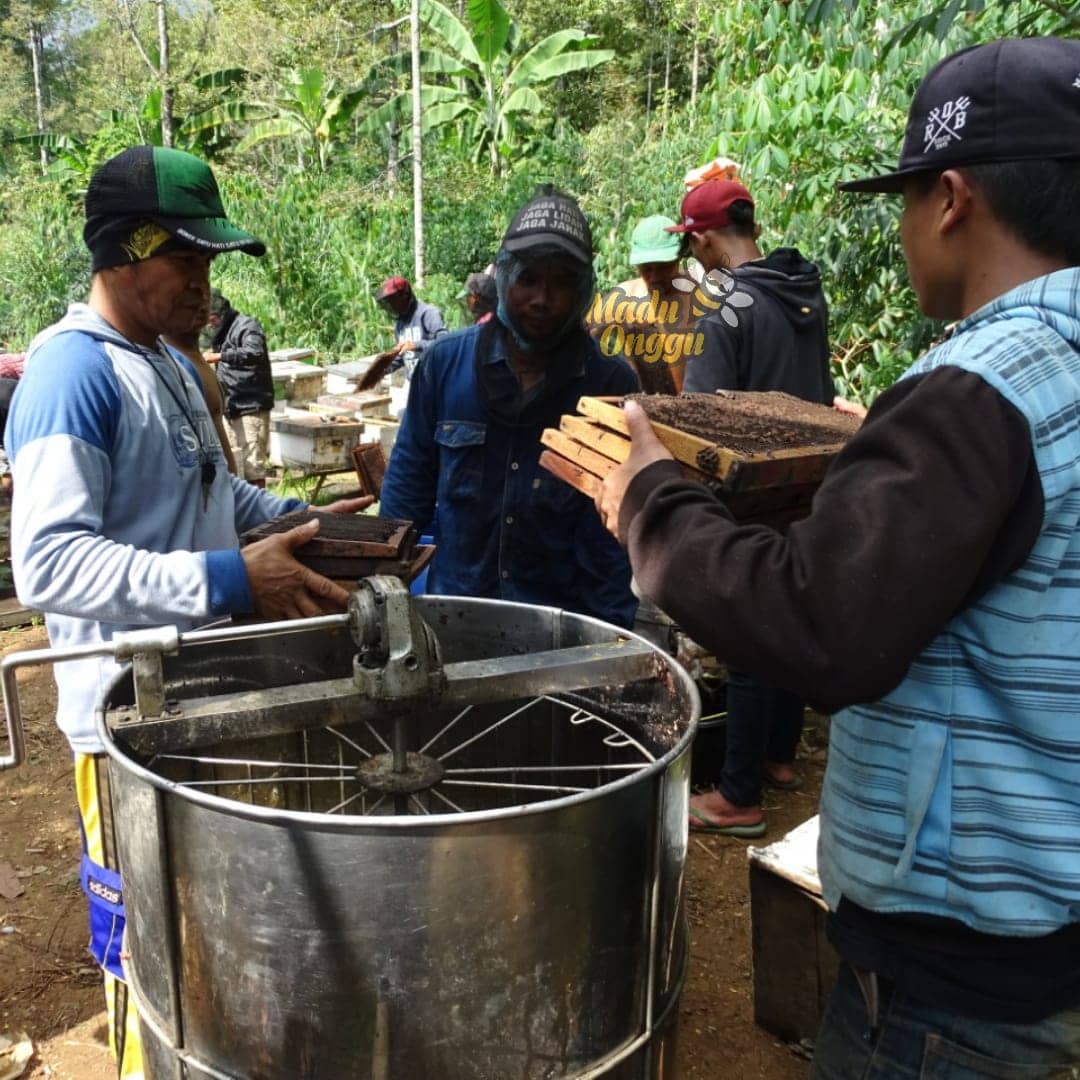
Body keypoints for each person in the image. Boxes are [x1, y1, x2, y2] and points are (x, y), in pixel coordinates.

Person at [596, 36, 1080, 1075]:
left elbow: (819, 626)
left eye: (904, 201)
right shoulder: (1049, 368)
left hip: (956, 966)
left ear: (951, 198)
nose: (901, 229)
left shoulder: (978, 389)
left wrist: (649, 500)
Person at [6, 144, 370, 1079]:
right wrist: (229, 580)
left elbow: (211, 493)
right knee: (147, 957)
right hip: (125, 723)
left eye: (210, 258)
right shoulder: (72, 375)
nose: (205, 279)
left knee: (210, 935)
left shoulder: (164, 362)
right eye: (186, 256)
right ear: (123, 251)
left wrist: (308, 523)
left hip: (197, 697)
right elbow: (47, 563)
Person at [380, 187, 639, 628]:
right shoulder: (444, 366)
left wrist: (611, 641)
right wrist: (389, 606)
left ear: (582, 290)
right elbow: (404, 500)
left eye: (561, 283)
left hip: (561, 629)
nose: (542, 299)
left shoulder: (609, 386)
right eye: (529, 279)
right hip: (455, 621)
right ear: (503, 277)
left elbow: (612, 541)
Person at [666, 179, 834, 836]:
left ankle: (737, 795)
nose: (693, 257)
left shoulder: (724, 307)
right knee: (791, 611)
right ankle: (778, 756)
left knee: (747, 634)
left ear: (707, 238)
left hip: (748, 486)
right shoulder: (803, 293)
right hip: (806, 477)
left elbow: (702, 421)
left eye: (693, 244)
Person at [585, 214, 699, 393]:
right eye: (646, 269)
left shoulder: (699, 298)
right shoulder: (625, 299)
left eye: (664, 267)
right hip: (641, 402)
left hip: (696, 402)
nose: (654, 277)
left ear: (678, 258)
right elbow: (583, 338)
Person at [203, 288, 273, 486]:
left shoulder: (247, 325)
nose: (210, 324)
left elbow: (254, 352)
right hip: (230, 407)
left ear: (221, 314)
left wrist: (220, 356)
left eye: (212, 319)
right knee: (234, 464)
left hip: (251, 406)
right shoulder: (222, 333)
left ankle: (260, 506)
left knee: (252, 467)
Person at [163, 309, 238, 477]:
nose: (201, 302)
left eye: (206, 297)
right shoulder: (171, 368)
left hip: (222, 485)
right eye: (187, 298)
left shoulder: (197, 357)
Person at [375, 275, 447, 374]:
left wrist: (416, 345)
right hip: (414, 380)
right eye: (389, 303)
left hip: (434, 378)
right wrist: (379, 370)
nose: (392, 306)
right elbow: (401, 357)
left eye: (394, 301)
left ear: (405, 296)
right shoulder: (400, 323)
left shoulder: (428, 314)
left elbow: (445, 344)